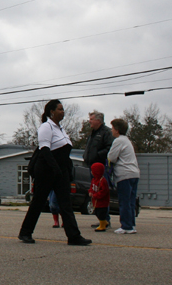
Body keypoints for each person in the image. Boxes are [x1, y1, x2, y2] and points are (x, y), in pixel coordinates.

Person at [18, 100, 91, 246]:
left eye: (63, 109)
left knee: (66, 204)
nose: (63, 112)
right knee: (38, 202)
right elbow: (45, 150)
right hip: (46, 170)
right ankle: (25, 232)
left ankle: (74, 236)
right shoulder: (46, 127)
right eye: (60, 109)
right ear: (52, 112)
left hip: (61, 171)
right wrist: (55, 168)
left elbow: (64, 153)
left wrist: (67, 170)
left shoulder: (61, 130)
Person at [107, 118, 140, 234]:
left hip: (124, 174)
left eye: (112, 128)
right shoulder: (127, 140)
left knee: (124, 200)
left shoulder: (118, 141)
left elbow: (111, 157)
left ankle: (126, 226)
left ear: (117, 130)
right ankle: (131, 224)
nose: (111, 130)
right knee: (131, 201)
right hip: (134, 173)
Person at [89, 162, 110, 232]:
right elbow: (91, 187)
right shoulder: (93, 180)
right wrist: (90, 192)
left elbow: (103, 192)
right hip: (96, 202)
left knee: (101, 214)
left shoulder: (103, 181)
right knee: (96, 212)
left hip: (102, 203)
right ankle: (104, 222)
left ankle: (102, 225)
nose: (91, 172)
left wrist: (95, 195)